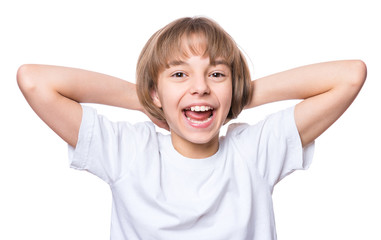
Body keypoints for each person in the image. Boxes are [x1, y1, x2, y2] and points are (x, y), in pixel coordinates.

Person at [17, 17, 366, 240]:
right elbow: (34, 81)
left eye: (216, 74)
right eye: (179, 74)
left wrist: (238, 95)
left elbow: (350, 76)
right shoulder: (128, 152)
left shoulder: (254, 152)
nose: (200, 87)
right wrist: (150, 100)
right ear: (156, 89)